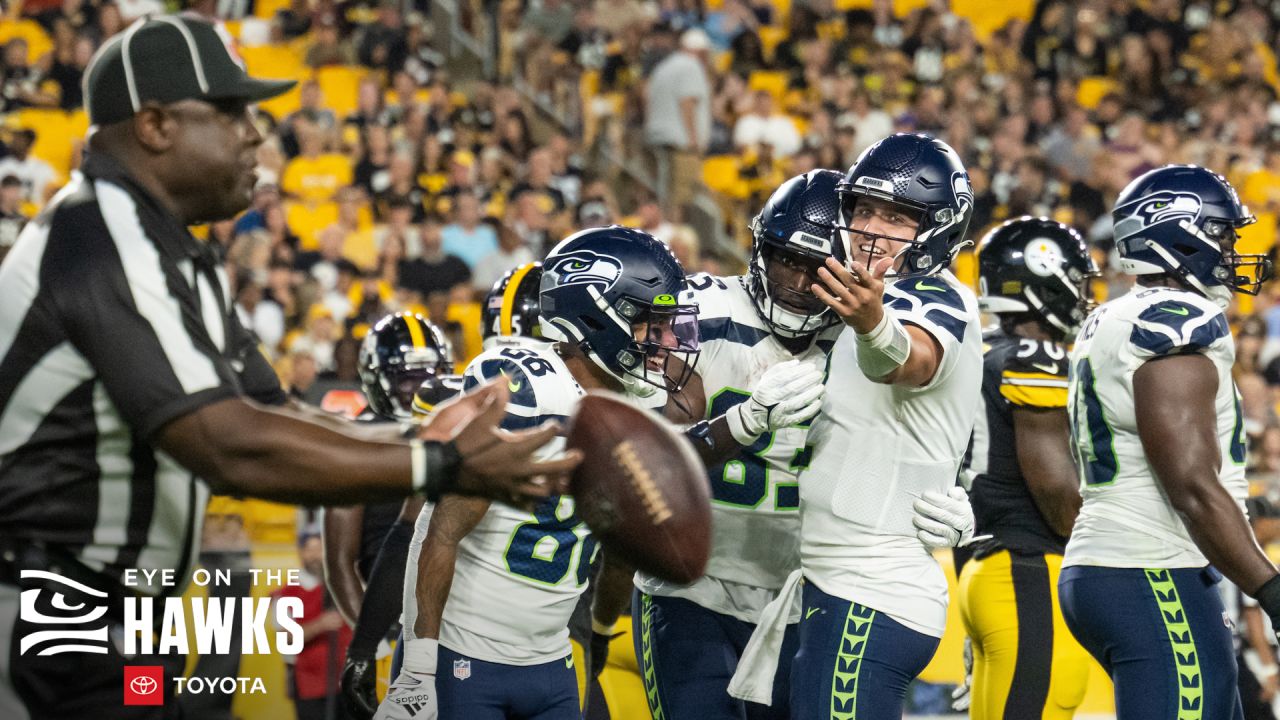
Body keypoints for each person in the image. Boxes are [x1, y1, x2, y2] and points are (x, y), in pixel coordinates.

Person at [0, 16, 576, 719]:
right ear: (154, 125)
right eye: (231, 113)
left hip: (117, 612)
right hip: (51, 609)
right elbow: (226, 442)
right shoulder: (100, 236)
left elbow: (280, 412)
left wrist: (434, 443)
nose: (254, 134)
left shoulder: (171, 248)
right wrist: (442, 464)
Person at [374, 227, 703, 719]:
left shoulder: (637, 405)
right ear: (597, 317)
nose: (665, 341)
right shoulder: (527, 391)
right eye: (648, 324)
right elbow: (439, 530)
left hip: (551, 662)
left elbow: (621, 549)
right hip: (465, 654)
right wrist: (419, 666)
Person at [731, 134, 984, 718]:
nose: (871, 228)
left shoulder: (932, 296)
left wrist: (875, 326)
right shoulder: (858, 301)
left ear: (939, 228)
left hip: (870, 592)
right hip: (827, 585)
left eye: (896, 217)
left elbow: (908, 361)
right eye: (864, 209)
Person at [1059, 164, 1280, 719]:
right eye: (1223, 236)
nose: (1232, 253)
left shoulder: (1112, 317)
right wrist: (1270, 588)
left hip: (1122, 564)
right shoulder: (1176, 322)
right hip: (1151, 569)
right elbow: (1190, 485)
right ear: (1182, 233)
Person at [619, 171, 841, 719]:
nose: (796, 281)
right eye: (787, 259)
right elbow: (649, 458)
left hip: (797, 597)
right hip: (692, 586)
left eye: (817, 269)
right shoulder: (700, 314)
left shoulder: (860, 342)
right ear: (760, 248)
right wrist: (742, 423)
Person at [957, 217, 1099, 719]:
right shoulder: (1034, 358)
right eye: (1077, 282)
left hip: (988, 566)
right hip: (1030, 571)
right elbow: (1057, 492)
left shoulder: (983, 350)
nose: (1083, 296)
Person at [327, 312, 456, 718]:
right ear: (378, 379)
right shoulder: (358, 441)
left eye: (429, 377)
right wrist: (375, 642)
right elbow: (341, 563)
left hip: (449, 627)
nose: (420, 390)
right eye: (407, 379)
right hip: (387, 621)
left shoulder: (452, 430)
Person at [276, 531, 355, 720]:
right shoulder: (287, 593)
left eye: (320, 549)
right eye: (310, 549)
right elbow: (286, 638)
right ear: (301, 553)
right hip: (310, 683)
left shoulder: (343, 586)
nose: (316, 555)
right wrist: (320, 624)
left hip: (346, 680)